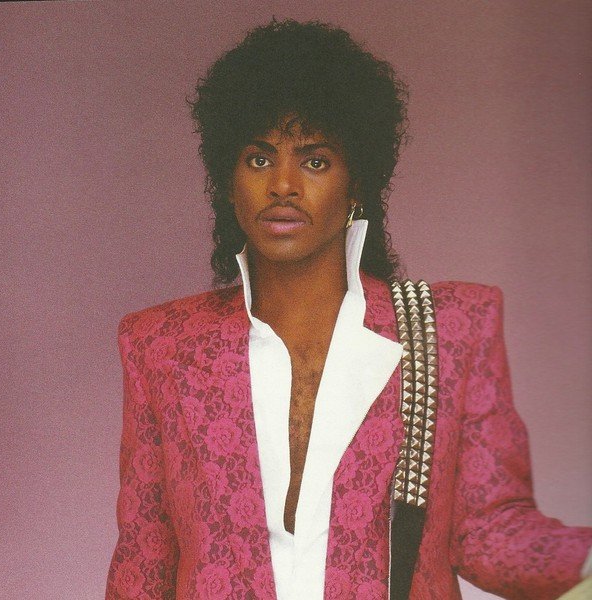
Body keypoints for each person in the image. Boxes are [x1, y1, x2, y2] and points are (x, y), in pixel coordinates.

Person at [105, 19, 592, 600]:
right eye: (258, 159)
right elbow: (143, 563)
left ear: (357, 181)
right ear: (227, 182)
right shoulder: (162, 344)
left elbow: (490, 535)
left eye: (314, 161)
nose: (282, 185)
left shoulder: (449, 329)